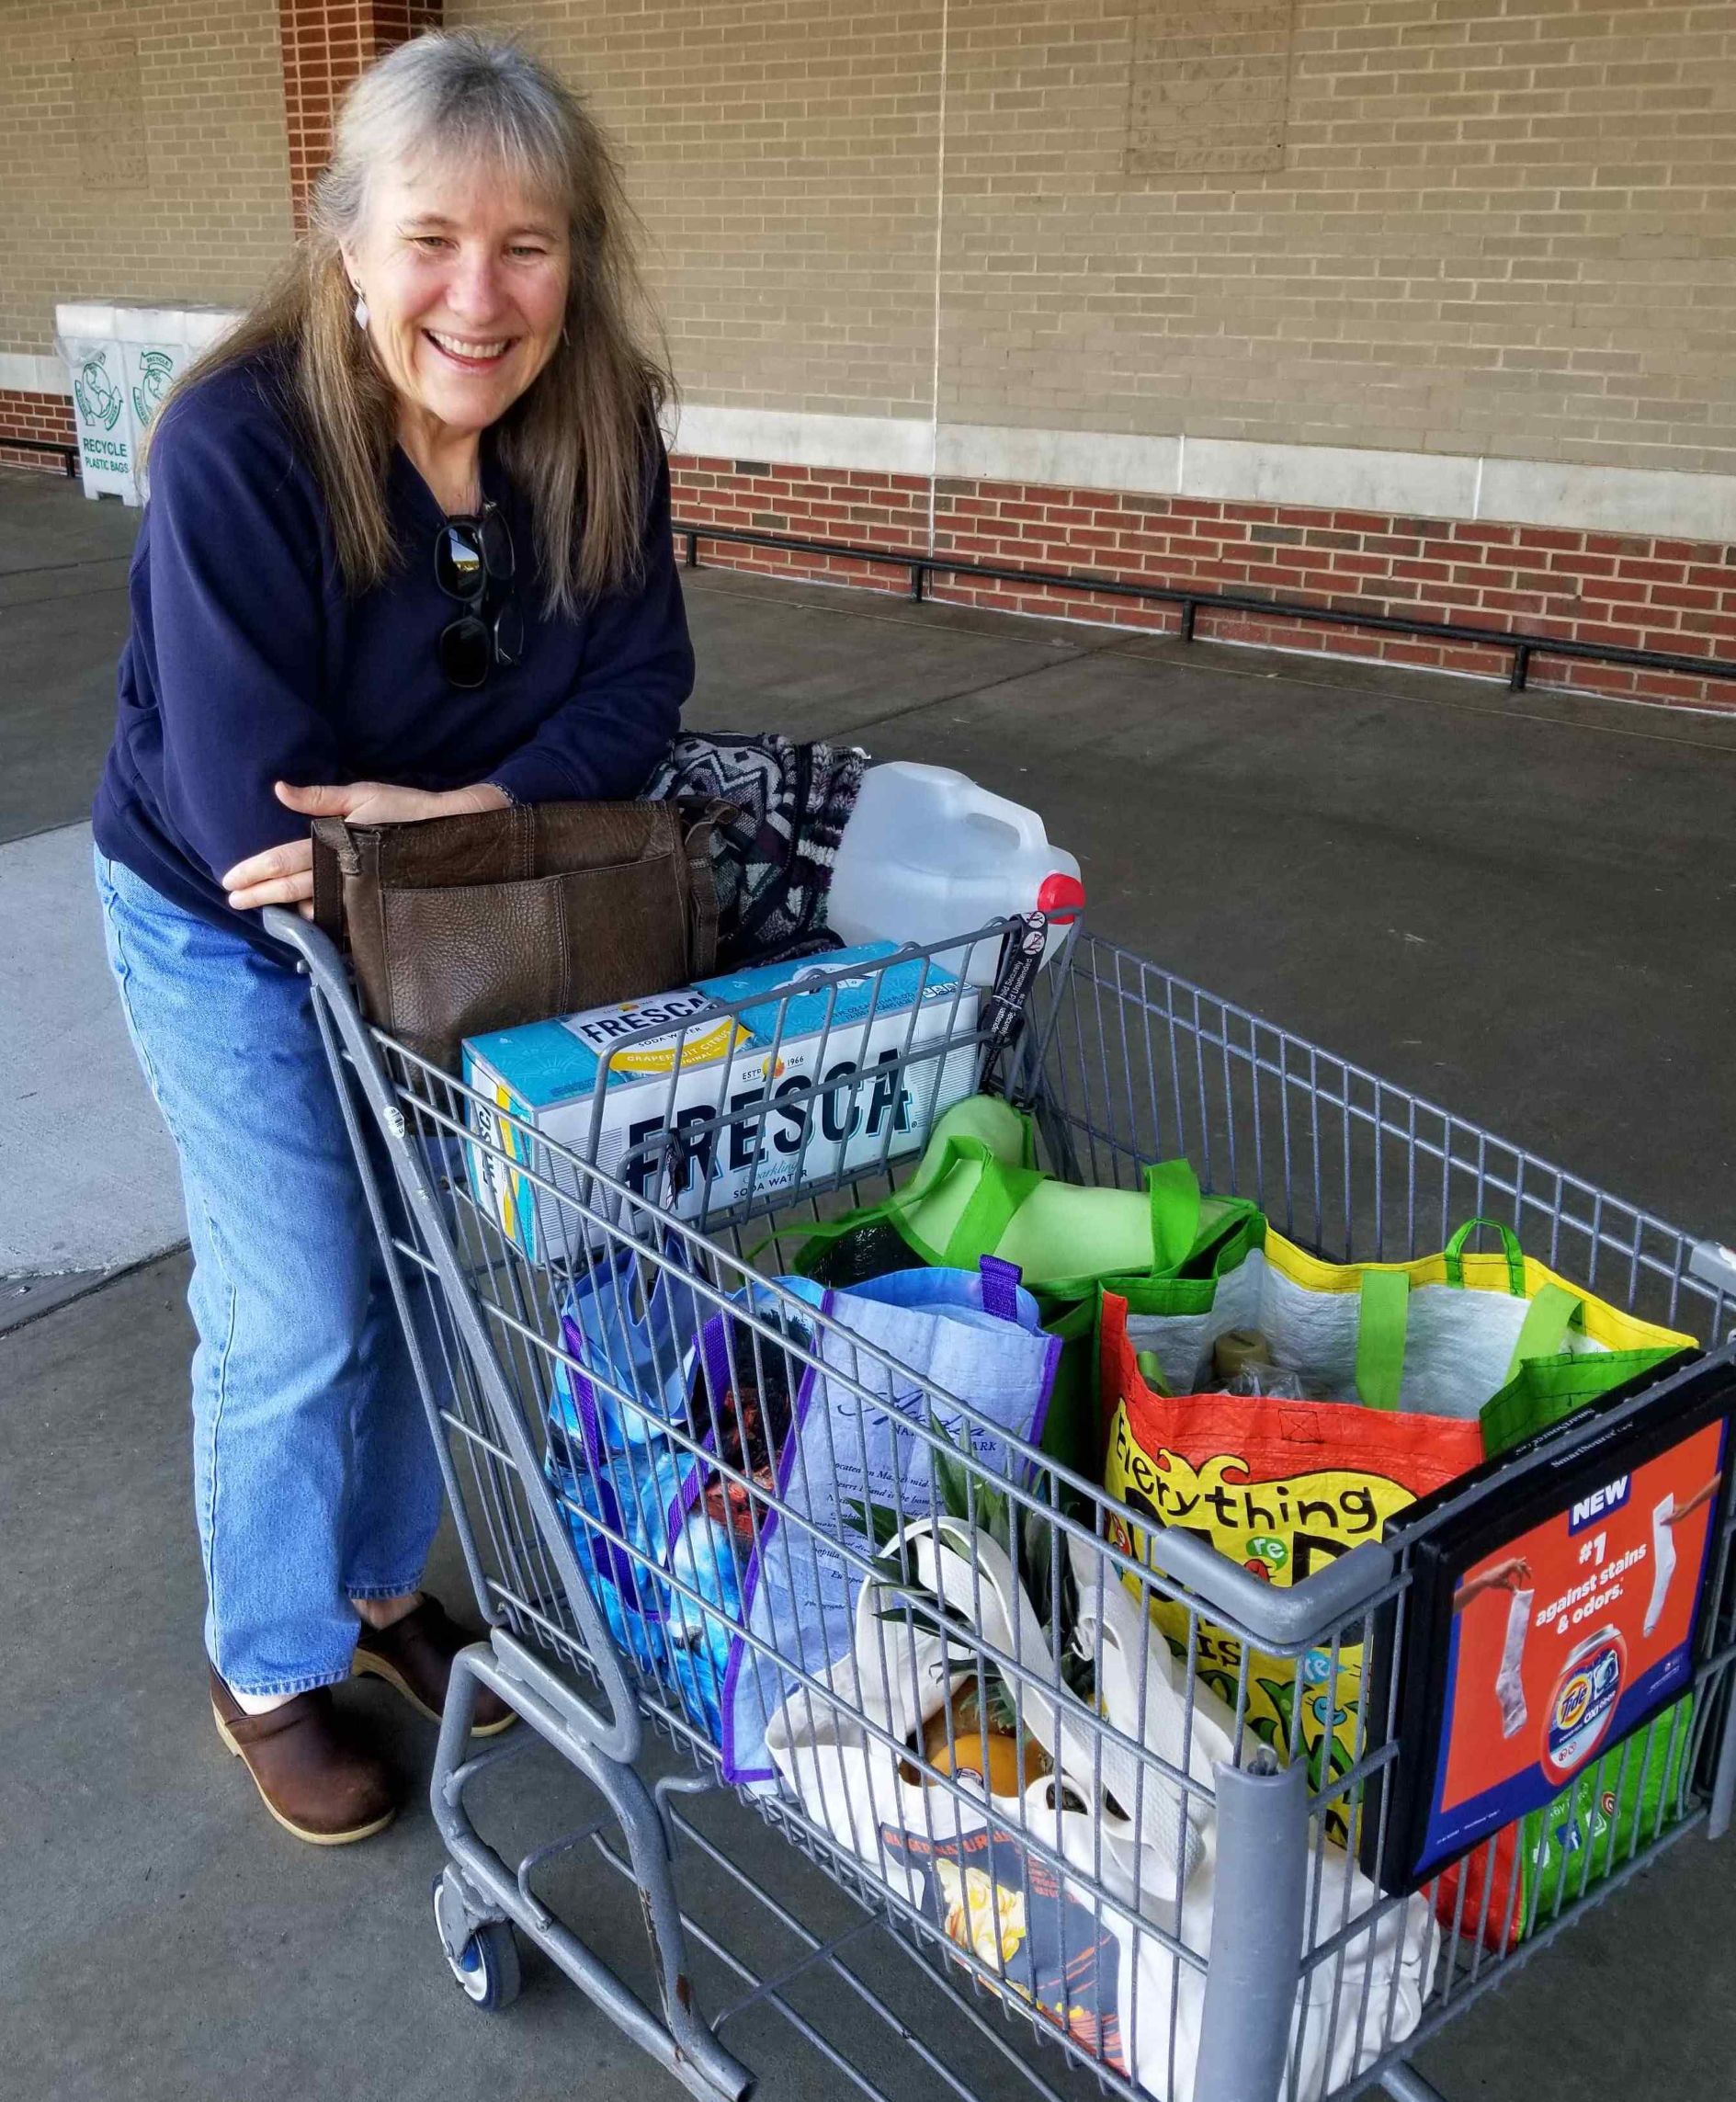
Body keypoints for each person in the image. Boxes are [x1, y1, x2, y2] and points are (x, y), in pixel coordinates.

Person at [92, 30, 696, 1844]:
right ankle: (267, 1658)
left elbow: (643, 694)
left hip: (466, 909)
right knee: (298, 1310)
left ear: (573, 259)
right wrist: (505, 808)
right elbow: (255, 814)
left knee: (434, 1272)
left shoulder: (598, 427)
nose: (480, 293)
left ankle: (367, 1581)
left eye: (528, 245)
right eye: (432, 238)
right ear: (344, 238)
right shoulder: (241, 443)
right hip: (221, 928)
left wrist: (455, 818)